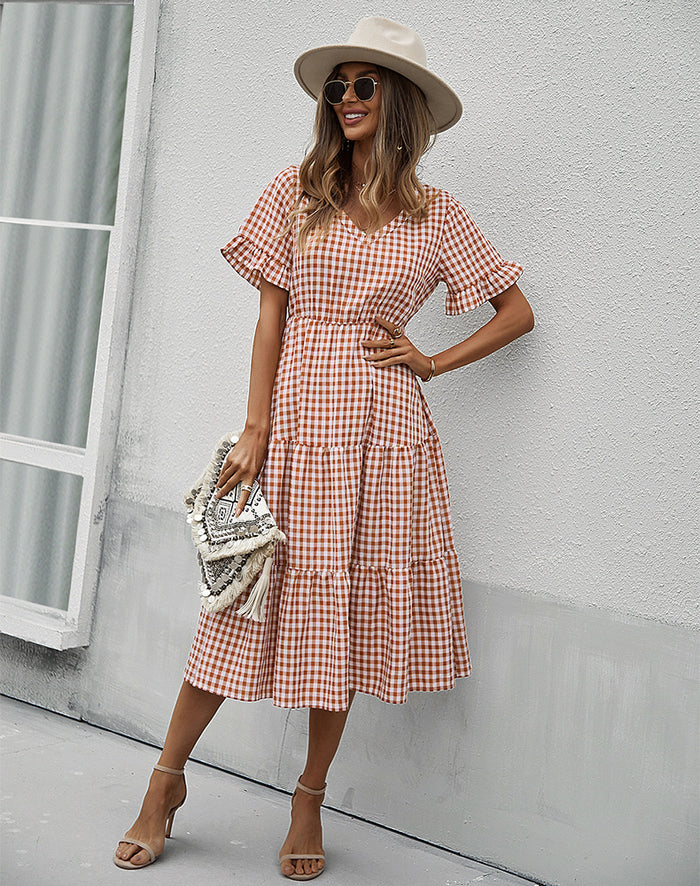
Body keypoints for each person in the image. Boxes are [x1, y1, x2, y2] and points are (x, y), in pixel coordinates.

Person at [113, 16, 534, 882]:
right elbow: (270, 315)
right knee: (239, 600)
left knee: (343, 620)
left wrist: (432, 361)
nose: (345, 98)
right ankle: (165, 780)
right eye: (337, 87)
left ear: (400, 101)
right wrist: (256, 427)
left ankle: (309, 796)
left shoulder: (437, 216)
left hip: (386, 439)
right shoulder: (296, 193)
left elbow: (516, 312)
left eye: (363, 85)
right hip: (300, 426)